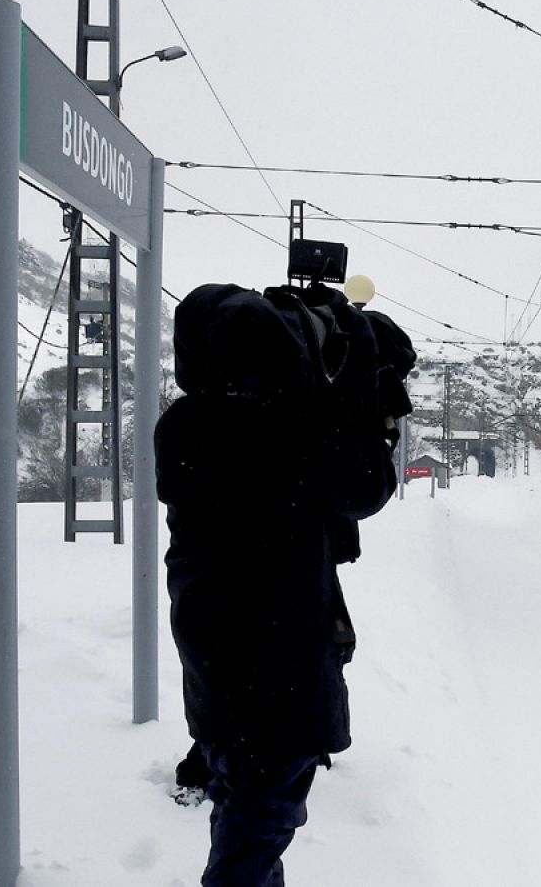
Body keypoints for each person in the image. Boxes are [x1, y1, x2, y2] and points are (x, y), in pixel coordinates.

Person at [158, 281, 414, 886]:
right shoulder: (297, 434)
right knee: (261, 817)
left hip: (210, 633)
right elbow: (368, 488)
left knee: (242, 790)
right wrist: (357, 400)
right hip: (275, 652)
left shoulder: (185, 423)